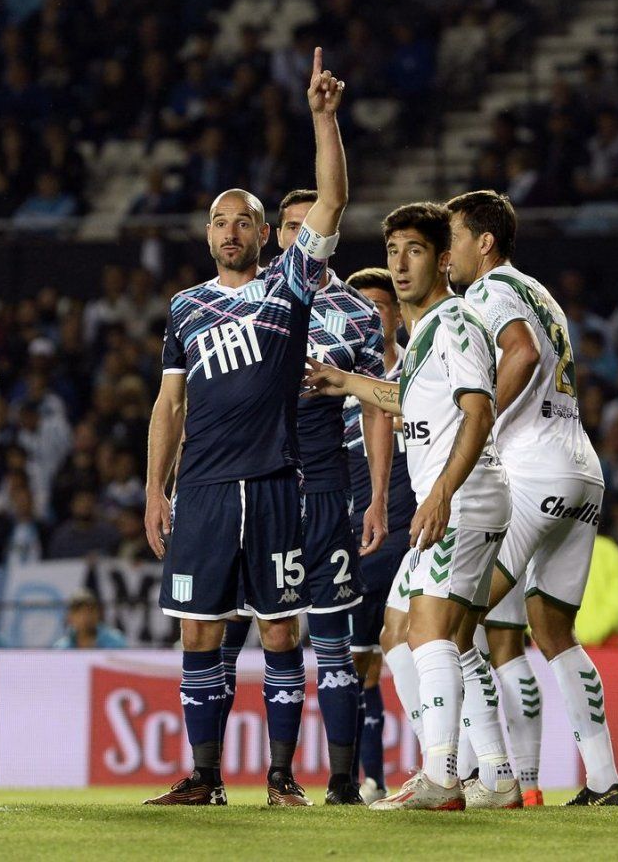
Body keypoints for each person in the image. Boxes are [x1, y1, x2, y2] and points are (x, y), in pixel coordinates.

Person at [143, 49, 348, 807]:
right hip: (199, 488)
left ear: (266, 233)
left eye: (244, 221)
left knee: (281, 632)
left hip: (272, 482)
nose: (231, 231)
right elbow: (169, 406)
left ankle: (282, 777)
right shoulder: (184, 307)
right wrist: (153, 490)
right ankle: (205, 777)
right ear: (207, 234)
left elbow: (332, 201)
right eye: (219, 221)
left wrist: (322, 120)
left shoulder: (289, 286)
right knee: (199, 632)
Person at [305, 201, 509, 812]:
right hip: (462, 500)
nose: (399, 264)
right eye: (392, 251)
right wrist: (347, 383)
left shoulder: (455, 323)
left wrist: (441, 492)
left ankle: (442, 777)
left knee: (427, 632)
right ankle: (499, 776)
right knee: (428, 634)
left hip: (461, 500)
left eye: (414, 251)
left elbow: (479, 411)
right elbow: (410, 400)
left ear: (444, 259)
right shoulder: (424, 333)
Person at [449, 189, 618, 806]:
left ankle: (483, 774)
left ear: (484, 242)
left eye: (454, 238)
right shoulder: (540, 291)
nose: (448, 252)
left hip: (532, 470)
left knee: (452, 620)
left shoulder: (489, 291)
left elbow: (521, 350)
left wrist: (479, 420)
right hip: (581, 471)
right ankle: (604, 781)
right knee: (553, 631)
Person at [218, 189, 390, 805]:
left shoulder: (360, 313)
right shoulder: (248, 297)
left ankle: (344, 782)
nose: (299, 237)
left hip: (325, 489)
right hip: (256, 488)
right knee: (257, 632)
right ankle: (269, 776)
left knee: (335, 640)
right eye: (289, 227)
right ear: (275, 234)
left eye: (308, 226)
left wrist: (374, 496)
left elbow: (376, 406)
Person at [342, 267, 417, 804]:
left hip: (412, 532)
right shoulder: (339, 376)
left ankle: (451, 764)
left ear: (396, 312)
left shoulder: (421, 365)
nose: (370, 316)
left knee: (422, 645)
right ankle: (363, 779)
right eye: (360, 307)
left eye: (380, 306)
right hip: (357, 534)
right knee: (359, 663)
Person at [52, 588, 128, 649]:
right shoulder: (61, 648)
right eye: (79, 612)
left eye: (91, 611)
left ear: (98, 614)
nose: (86, 617)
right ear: (70, 617)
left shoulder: (115, 641)